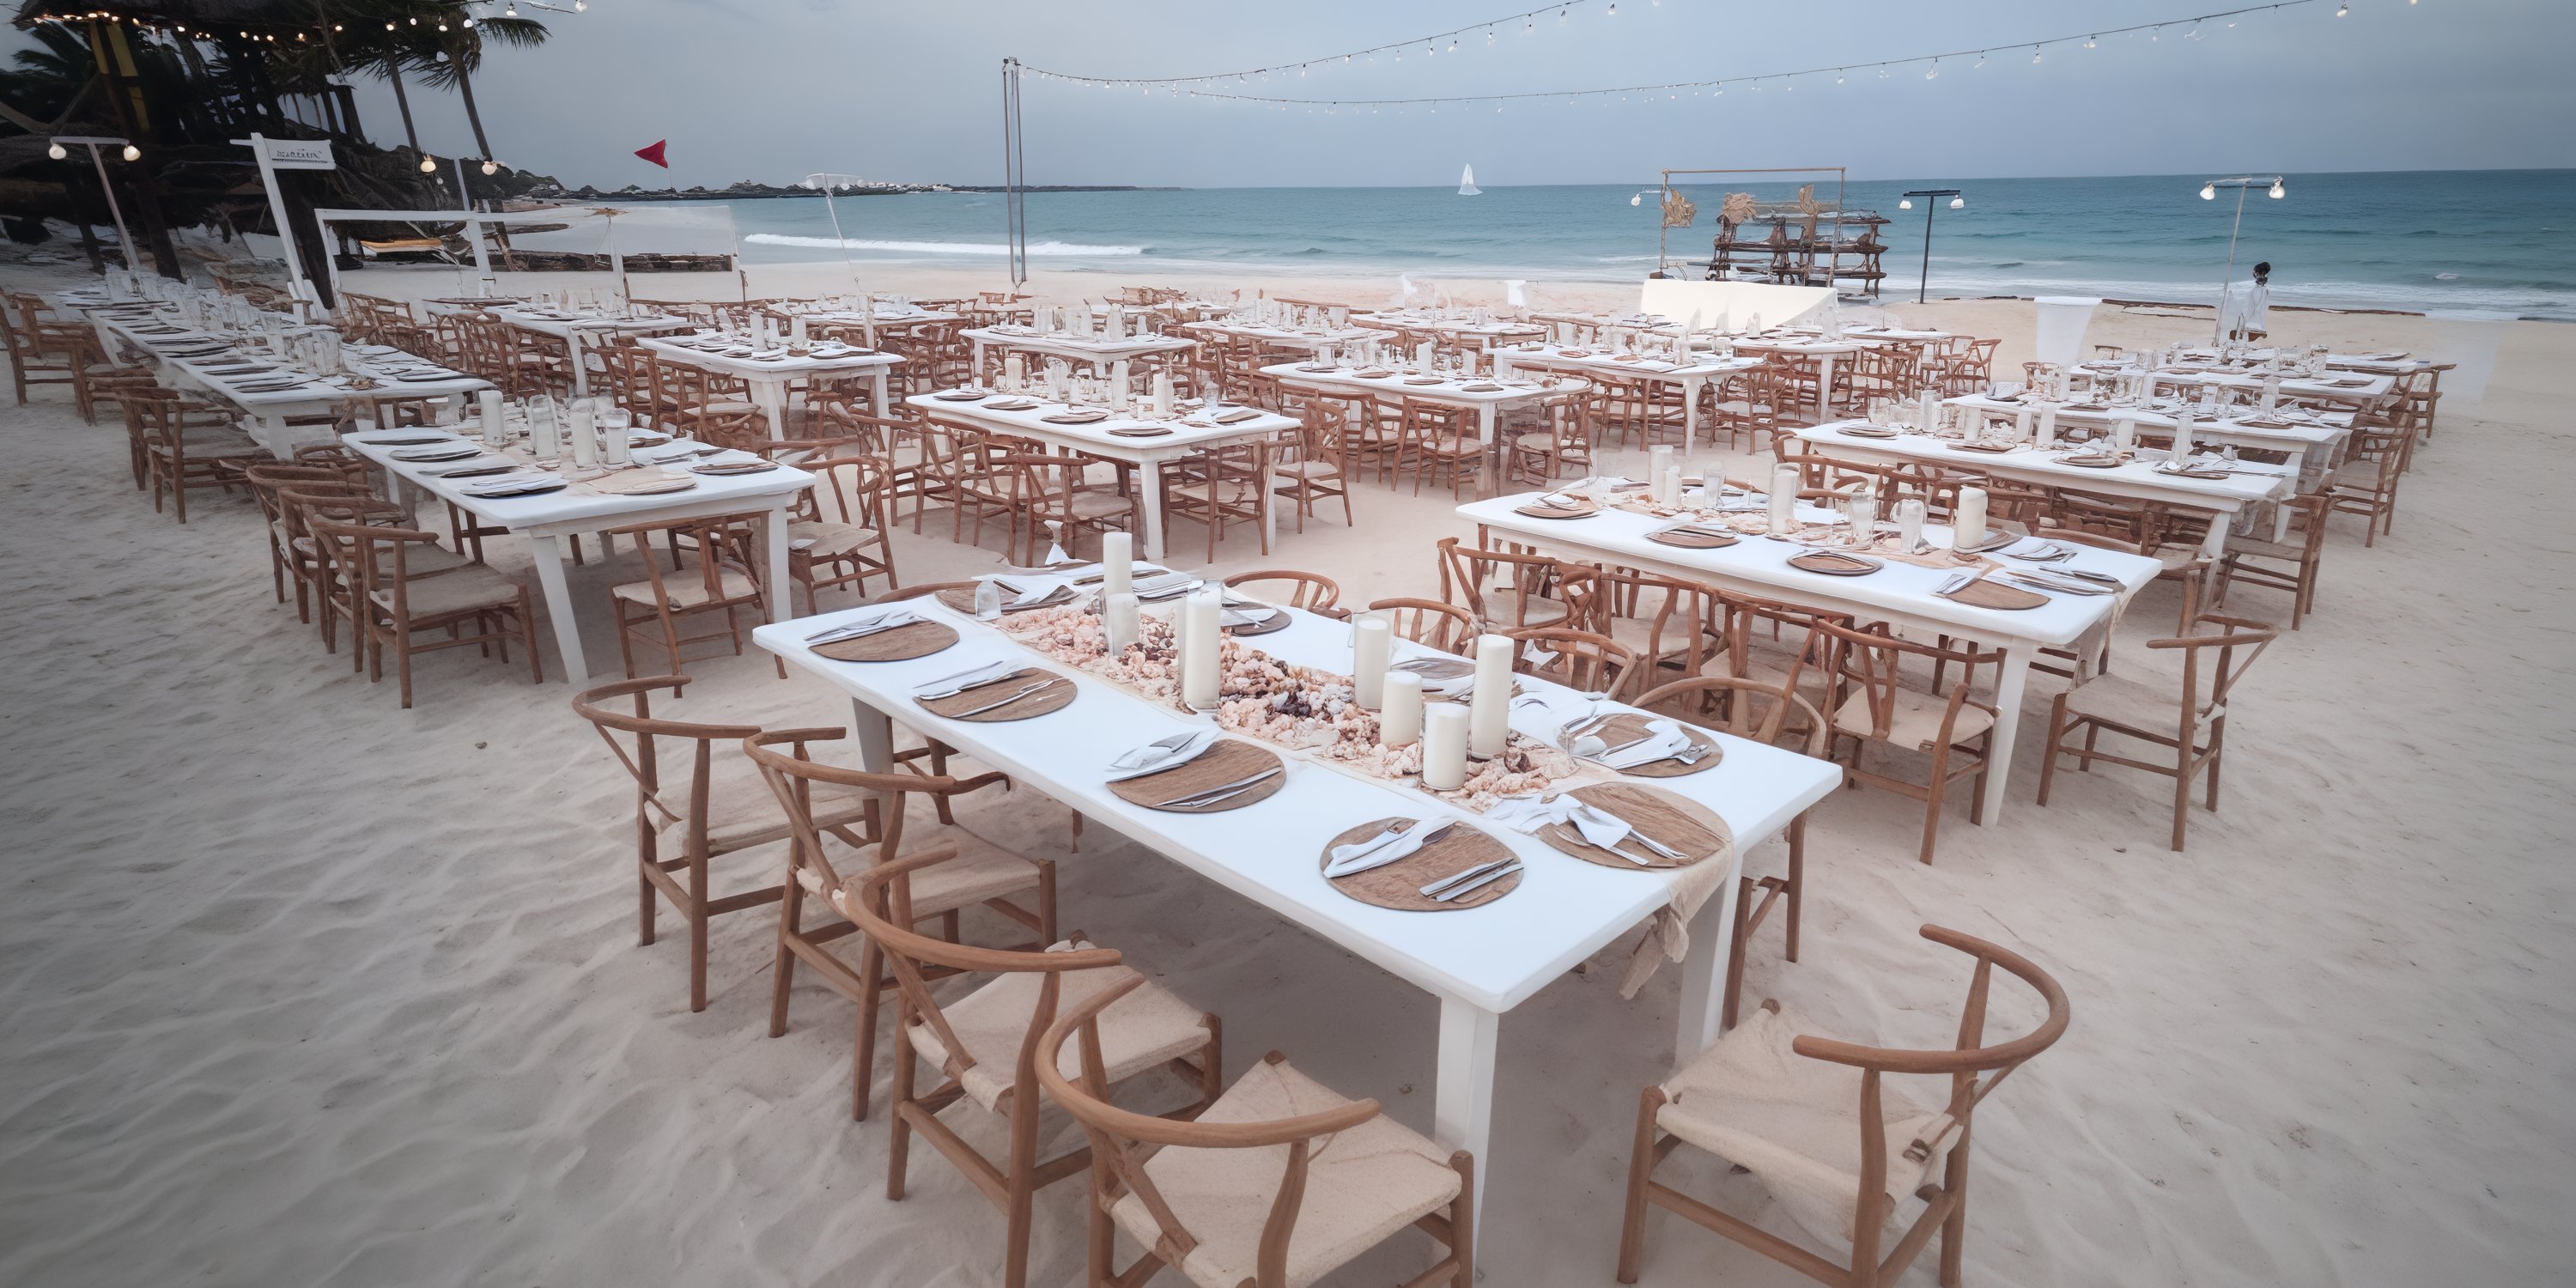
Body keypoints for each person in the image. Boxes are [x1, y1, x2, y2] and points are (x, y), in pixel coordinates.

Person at [2224, 262, 2272, 340]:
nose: (2252, 273)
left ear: (2256, 273)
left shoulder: (2257, 289)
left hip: (2253, 325)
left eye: (2254, 271)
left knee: (2233, 334)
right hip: (2258, 324)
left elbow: (2253, 307)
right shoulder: (2264, 289)